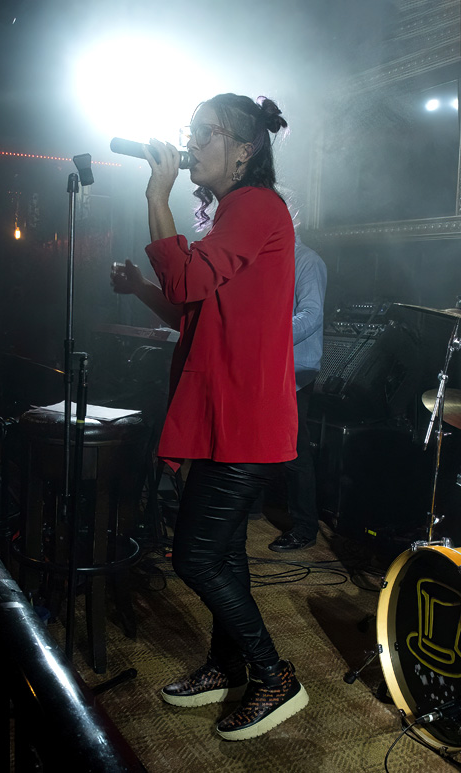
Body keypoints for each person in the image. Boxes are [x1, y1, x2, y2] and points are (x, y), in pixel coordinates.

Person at [111, 93, 308, 741]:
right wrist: (140, 287)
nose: (191, 144)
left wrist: (156, 194)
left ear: (244, 150)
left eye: (205, 134)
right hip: (230, 417)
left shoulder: (255, 205)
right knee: (223, 552)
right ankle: (228, 666)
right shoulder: (234, 213)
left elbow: (187, 283)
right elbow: (192, 310)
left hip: (245, 419)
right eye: (189, 132)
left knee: (195, 557)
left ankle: (274, 675)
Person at [268, 235, 327, 551]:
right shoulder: (266, 259)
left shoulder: (307, 260)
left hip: (294, 371)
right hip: (266, 365)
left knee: (294, 451)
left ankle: (305, 528)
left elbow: (311, 315)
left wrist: (266, 335)